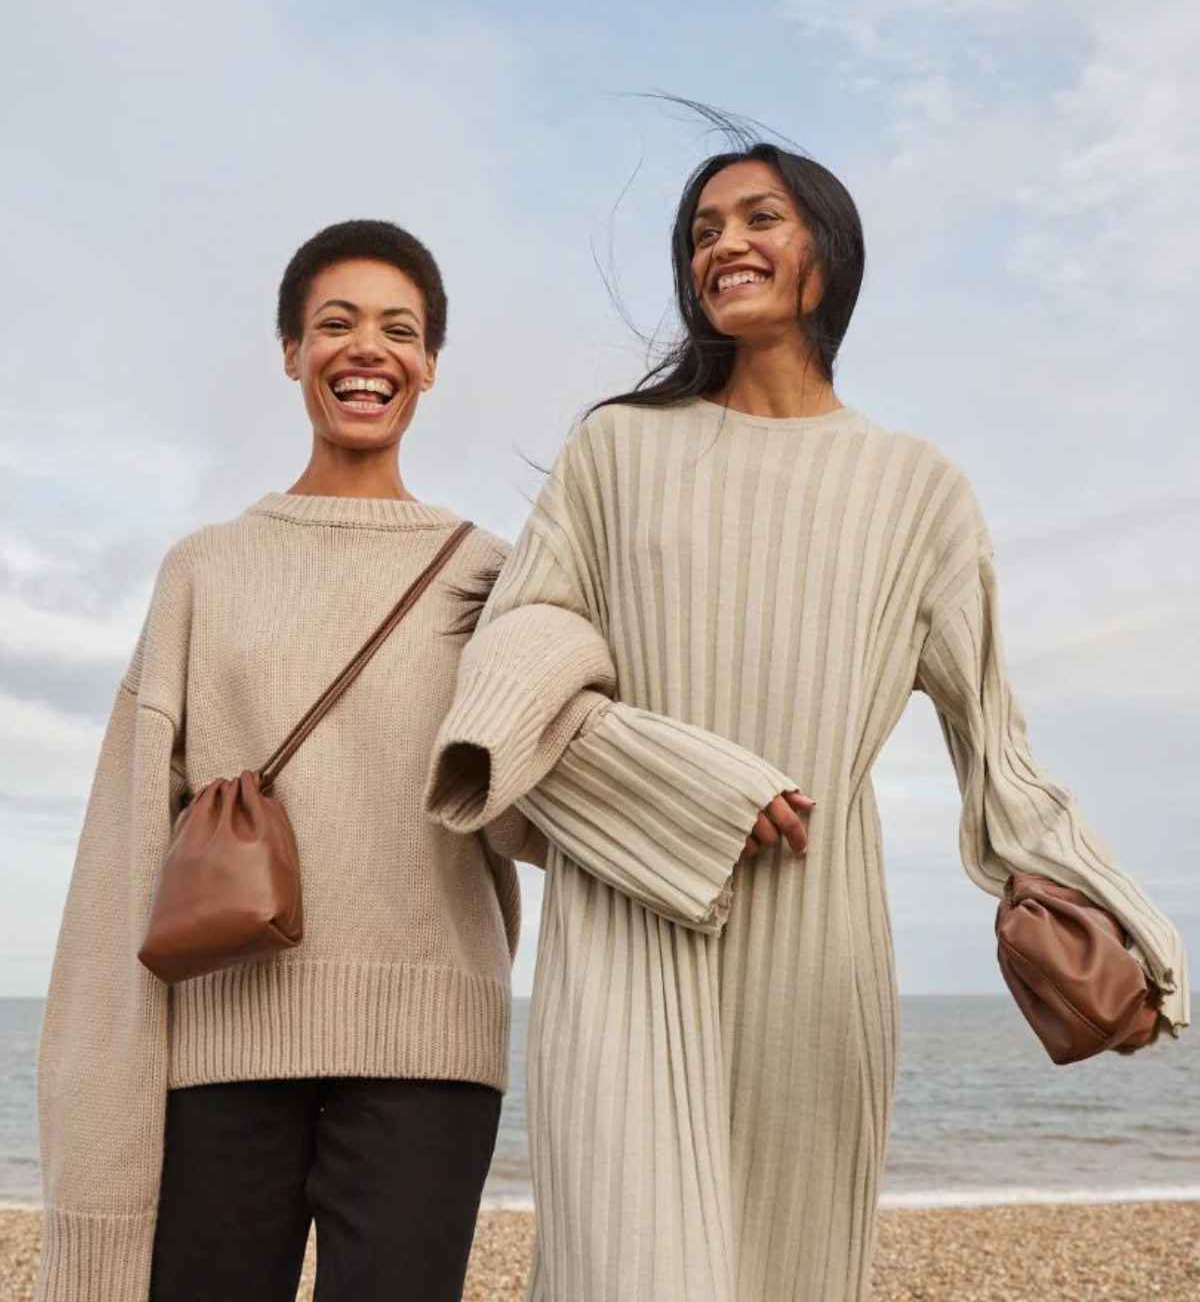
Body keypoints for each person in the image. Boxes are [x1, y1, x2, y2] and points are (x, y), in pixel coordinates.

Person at [427, 141, 1189, 1302]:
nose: (724, 243)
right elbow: (512, 674)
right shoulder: (615, 453)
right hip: (625, 927)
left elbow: (999, 755)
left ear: (827, 256)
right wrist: (694, 790)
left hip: (819, 943)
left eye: (758, 217)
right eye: (703, 231)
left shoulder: (918, 490)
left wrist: (1143, 947)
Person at [36, 219, 522, 1302]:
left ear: (430, 365)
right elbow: (126, 838)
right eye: (336, 323)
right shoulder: (204, 570)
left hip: (430, 1056)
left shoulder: (490, 575)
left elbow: (541, 792)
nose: (368, 349)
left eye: (400, 330)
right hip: (222, 1048)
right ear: (293, 351)